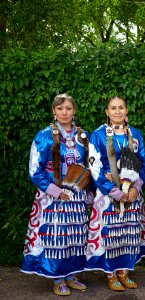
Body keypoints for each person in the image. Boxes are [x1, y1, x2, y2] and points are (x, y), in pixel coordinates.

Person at [21, 93, 92, 296]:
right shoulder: (44, 135)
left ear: (74, 111)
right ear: (53, 111)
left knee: (75, 237)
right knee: (56, 238)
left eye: (68, 108)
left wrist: (87, 191)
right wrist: (55, 191)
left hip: (76, 196)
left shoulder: (82, 136)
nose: (64, 112)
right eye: (60, 108)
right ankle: (57, 277)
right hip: (53, 196)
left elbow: (89, 166)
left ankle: (71, 275)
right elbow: (35, 170)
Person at [85, 96, 145, 291]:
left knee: (128, 233)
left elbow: (144, 164)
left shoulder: (135, 134)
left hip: (131, 195)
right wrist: (113, 191)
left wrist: (135, 188)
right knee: (110, 234)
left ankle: (124, 271)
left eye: (121, 107)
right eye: (113, 108)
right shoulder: (98, 135)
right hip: (108, 195)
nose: (117, 111)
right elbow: (94, 167)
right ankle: (110, 274)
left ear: (126, 110)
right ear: (107, 112)